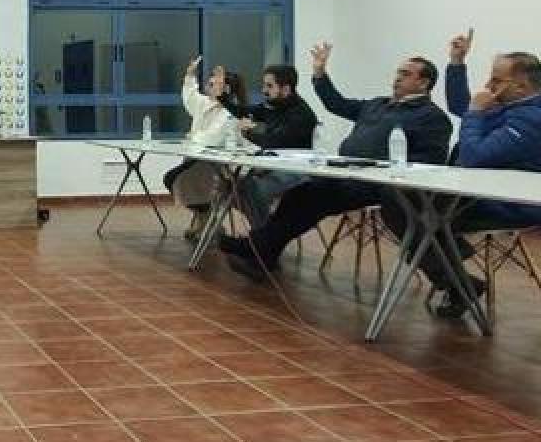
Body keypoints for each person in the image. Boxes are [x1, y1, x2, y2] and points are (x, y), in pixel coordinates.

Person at [219, 43, 453, 281]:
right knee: (297, 195)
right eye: (398, 72)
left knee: (314, 198)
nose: (397, 78)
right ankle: (263, 254)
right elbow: (336, 103)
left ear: (424, 83)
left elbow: (430, 162)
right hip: (345, 173)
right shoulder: (377, 104)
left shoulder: (431, 117)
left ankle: (255, 247)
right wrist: (320, 73)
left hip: (377, 184)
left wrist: (387, 170)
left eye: (405, 74)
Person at [411, 31, 541, 318]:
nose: (488, 86)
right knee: (402, 203)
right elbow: (462, 106)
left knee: (410, 212)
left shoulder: (532, 118)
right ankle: (459, 279)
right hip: (475, 195)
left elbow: (473, 157)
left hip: (508, 205)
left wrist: (474, 113)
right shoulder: (511, 106)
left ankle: (457, 281)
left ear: (521, 86)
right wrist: (457, 63)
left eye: (496, 80)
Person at [164, 57, 246, 240]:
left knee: (178, 179)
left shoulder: (231, 111)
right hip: (199, 161)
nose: (207, 87)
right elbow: (190, 98)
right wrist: (190, 75)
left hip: (219, 166)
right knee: (173, 179)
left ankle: (207, 219)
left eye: (212, 84)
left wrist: (192, 137)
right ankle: (204, 217)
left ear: (226, 90)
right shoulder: (206, 103)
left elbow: (213, 138)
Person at [233, 64, 319, 229]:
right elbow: (243, 111)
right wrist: (222, 97)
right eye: (264, 85)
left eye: (269, 86)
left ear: (285, 89)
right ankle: (267, 229)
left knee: (252, 189)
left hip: (297, 170)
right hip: (274, 166)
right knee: (231, 188)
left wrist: (248, 133)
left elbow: (274, 142)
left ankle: (264, 235)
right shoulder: (274, 105)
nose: (264, 90)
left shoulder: (302, 114)